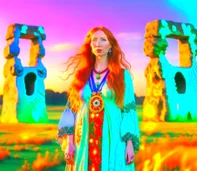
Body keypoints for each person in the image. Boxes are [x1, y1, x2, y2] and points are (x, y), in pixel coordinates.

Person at [57, 26, 140, 171]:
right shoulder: (81, 76)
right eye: (94, 40)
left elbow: (128, 110)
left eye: (103, 40)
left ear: (110, 45)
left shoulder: (122, 75)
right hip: (83, 140)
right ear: (89, 46)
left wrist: (129, 145)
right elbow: (71, 109)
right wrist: (70, 143)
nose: (98, 44)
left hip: (113, 139)